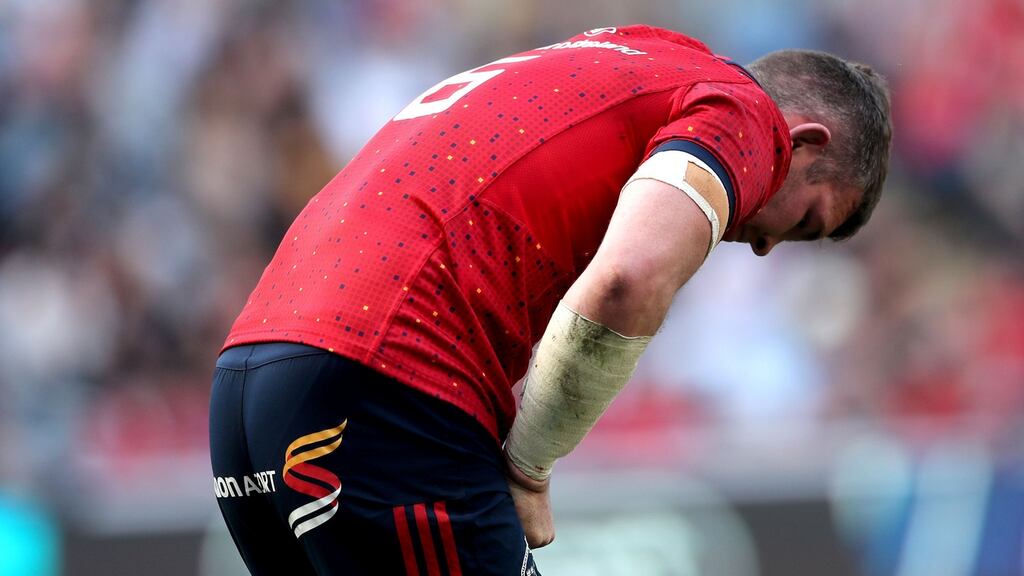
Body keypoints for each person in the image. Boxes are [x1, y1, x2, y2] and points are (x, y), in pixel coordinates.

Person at [209, 24, 891, 575]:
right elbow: (630, 279)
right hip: (385, 378)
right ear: (805, 140)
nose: (768, 247)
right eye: (804, 222)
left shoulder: (635, 53)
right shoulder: (745, 115)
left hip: (248, 382)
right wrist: (530, 465)